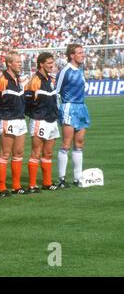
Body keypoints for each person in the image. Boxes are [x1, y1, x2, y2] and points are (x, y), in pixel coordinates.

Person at [56, 44, 90, 188]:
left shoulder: (81, 69)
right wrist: (60, 110)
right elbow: (56, 92)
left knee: (79, 143)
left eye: (83, 52)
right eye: (80, 53)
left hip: (81, 107)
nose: (83, 55)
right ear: (71, 55)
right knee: (66, 143)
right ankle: (62, 179)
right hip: (69, 107)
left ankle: (77, 178)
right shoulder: (65, 71)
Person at [25, 52, 60, 192]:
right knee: (36, 152)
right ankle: (32, 185)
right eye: (49, 63)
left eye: (53, 63)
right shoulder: (35, 81)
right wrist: (36, 114)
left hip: (52, 121)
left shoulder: (51, 80)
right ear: (41, 64)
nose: (52, 66)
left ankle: (47, 182)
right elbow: (27, 103)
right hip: (40, 120)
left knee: (48, 153)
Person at [0, 50, 29, 197]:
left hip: (20, 119)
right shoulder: (2, 80)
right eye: (17, 62)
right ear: (9, 63)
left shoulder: (19, 79)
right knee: (5, 153)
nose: (20, 64)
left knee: (19, 153)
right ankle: (2, 188)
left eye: (20, 62)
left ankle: (16, 185)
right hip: (7, 119)